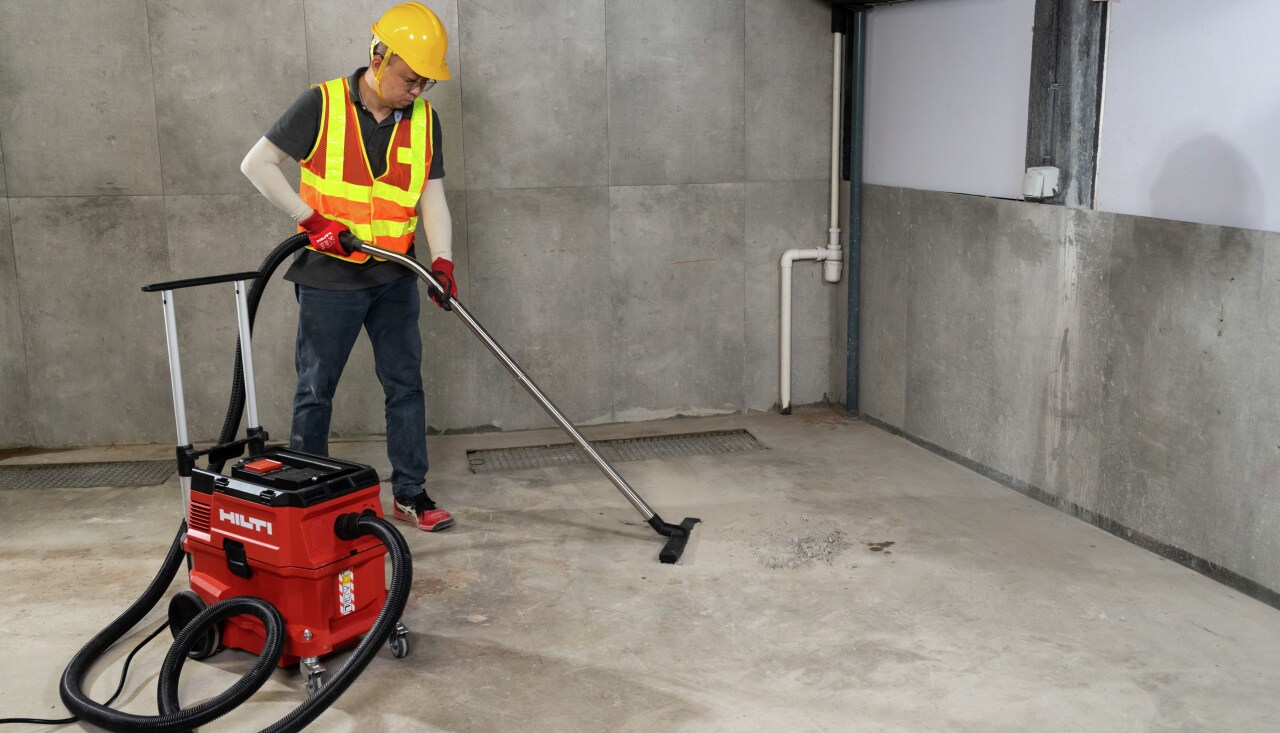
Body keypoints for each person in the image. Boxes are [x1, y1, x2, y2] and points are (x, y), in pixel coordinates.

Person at [240, 2, 455, 531]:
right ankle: (308, 493)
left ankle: (410, 493)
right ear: (379, 59)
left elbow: (431, 196)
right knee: (316, 388)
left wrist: (443, 258)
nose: (416, 91)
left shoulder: (424, 119)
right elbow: (256, 164)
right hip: (328, 278)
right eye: (409, 79)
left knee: (405, 385)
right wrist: (310, 220)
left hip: (395, 276)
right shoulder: (322, 104)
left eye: (425, 83)